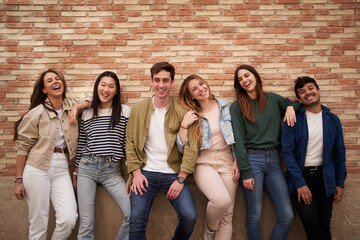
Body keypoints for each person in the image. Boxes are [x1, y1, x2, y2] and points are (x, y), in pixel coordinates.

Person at [13, 69, 91, 240]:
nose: (55, 82)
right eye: (49, 81)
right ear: (44, 90)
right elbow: (23, 148)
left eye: (58, 79)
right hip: (37, 167)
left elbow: (91, 97)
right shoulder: (36, 113)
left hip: (62, 166)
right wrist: (18, 179)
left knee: (69, 219)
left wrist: (76, 108)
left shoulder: (71, 104)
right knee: (39, 222)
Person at [126, 62, 198, 240]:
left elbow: (191, 148)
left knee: (189, 216)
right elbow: (130, 142)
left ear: (172, 83)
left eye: (166, 80)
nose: (161, 85)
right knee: (136, 219)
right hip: (145, 173)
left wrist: (181, 178)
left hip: (173, 173)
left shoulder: (182, 111)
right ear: (151, 81)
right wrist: (136, 173)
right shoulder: (139, 109)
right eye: (157, 80)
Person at [230, 64, 300, 240]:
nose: (245, 80)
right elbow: (238, 141)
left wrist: (291, 107)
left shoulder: (274, 99)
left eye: (247, 75)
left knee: (286, 215)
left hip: (275, 161)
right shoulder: (237, 107)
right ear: (238, 85)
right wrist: (245, 171)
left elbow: (298, 105)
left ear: (255, 76)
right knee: (254, 215)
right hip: (252, 161)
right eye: (240, 79)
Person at [281, 76, 347, 240]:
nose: (308, 93)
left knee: (325, 223)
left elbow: (339, 153)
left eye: (311, 88)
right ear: (299, 99)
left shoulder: (333, 120)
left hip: (325, 178)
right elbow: (287, 154)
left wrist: (339, 183)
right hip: (301, 178)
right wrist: (300, 183)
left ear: (318, 91)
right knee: (311, 223)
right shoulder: (293, 120)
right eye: (302, 92)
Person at [177, 75, 240, 240]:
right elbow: (182, 148)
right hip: (204, 162)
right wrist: (184, 125)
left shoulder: (226, 106)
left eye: (201, 84)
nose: (201, 89)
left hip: (228, 160)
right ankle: (210, 230)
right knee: (221, 200)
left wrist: (237, 160)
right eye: (195, 89)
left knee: (227, 215)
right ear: (191, 96)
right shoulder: (192, 115)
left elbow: (239, 135)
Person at [74, 71, 131, 240]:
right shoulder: (87, 113)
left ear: (116, 91)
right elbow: (82, 143)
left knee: (133, 214)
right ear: (97, 87)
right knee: (86, 223)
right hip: (86, 168)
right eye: (103, 85)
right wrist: (76, 172)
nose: (106, 89)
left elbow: (129, 144)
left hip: (112, 171)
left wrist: (133, 171)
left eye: (111, 86)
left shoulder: (125, 111)